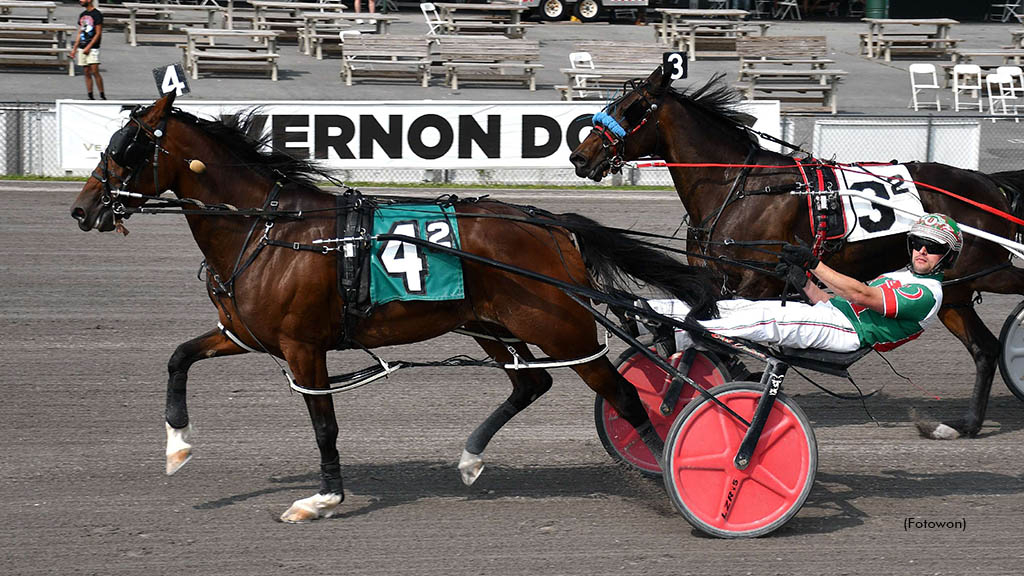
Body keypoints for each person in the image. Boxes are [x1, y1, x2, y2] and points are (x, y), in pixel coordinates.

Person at [648, 213, 963, 354]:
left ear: (946, 257)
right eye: (919, 242)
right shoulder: (902, 276)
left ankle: (680, 334)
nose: (923, 250)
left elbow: (860, 294)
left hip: (850, 334)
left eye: (934, 247)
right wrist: (803, 280)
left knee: (765, 320)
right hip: (835, 318)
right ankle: (654, 310)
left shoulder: (928, 293)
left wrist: (814, 263)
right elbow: (832, 302)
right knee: (740, 306)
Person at [71, 0, 105, 100]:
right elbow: (80, 32)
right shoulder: (83, 15)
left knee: (95, 71)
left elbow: (98, 33)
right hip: (82, 46)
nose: (80, 1)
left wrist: (89, 47)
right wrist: (74, 49)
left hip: (93, 47)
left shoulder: (97, 14)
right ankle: (90, 95)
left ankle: (102, 94)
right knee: (86, 72)